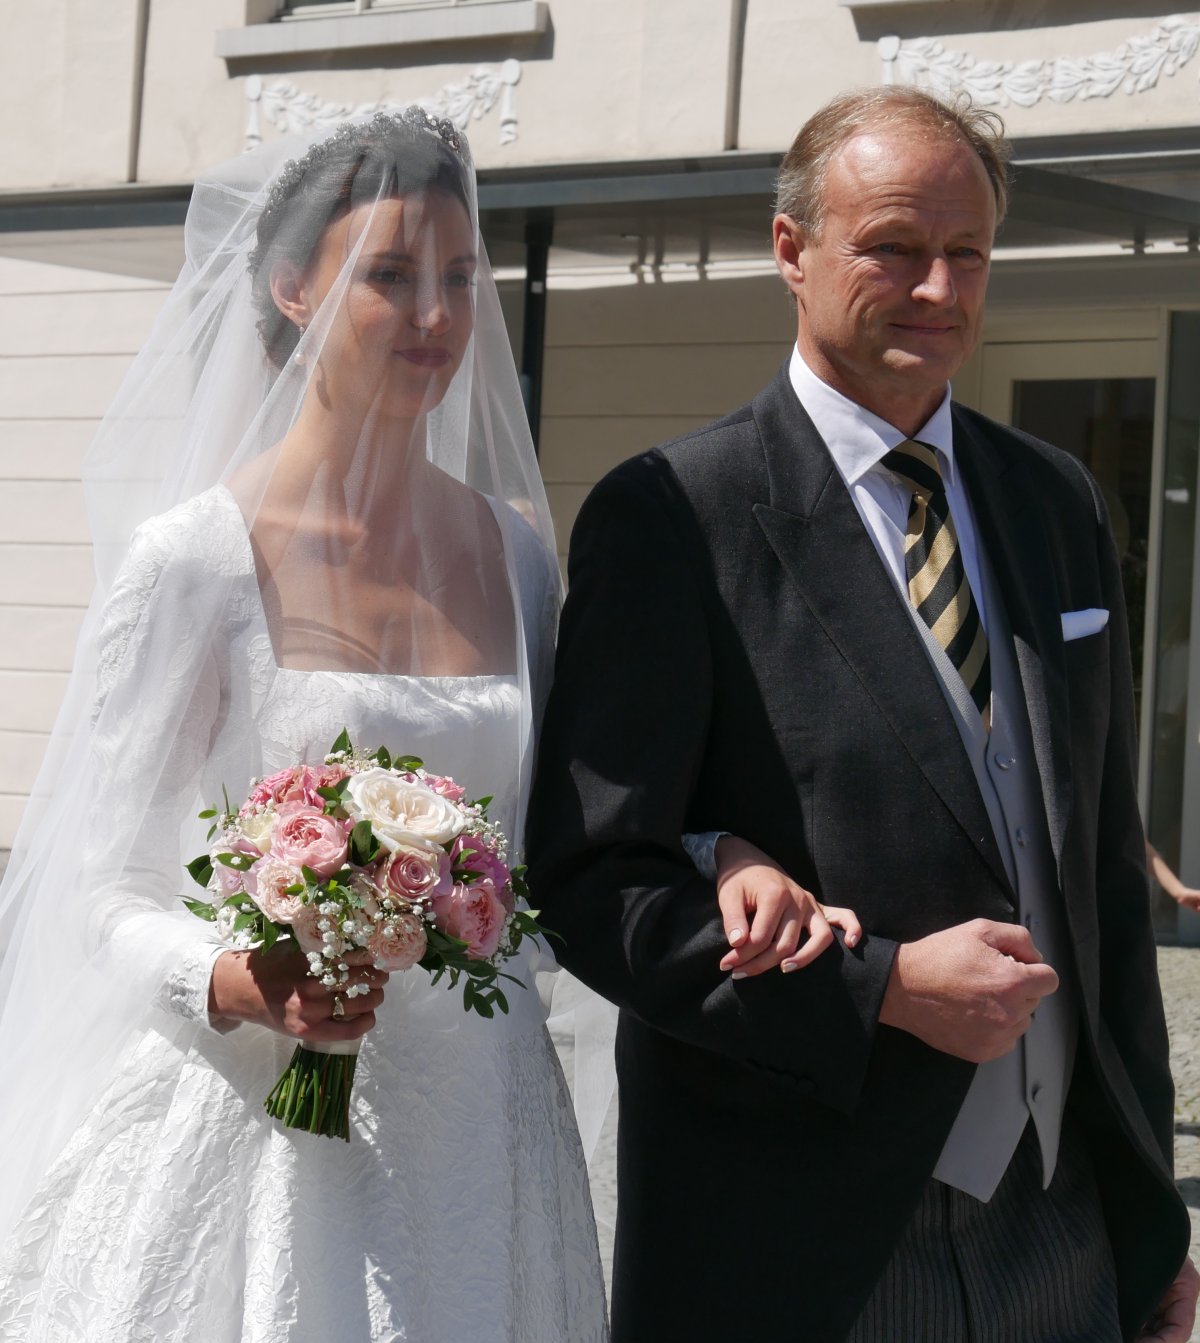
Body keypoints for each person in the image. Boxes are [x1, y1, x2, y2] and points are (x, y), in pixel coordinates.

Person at [526, 87, 1198, 1342]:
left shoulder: (1057, 502)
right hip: (808, 1240)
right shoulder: (676, 515)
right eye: (894, 246)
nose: (938, 290)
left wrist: (1151, 1215)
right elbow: (588, 881)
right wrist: (878, 987)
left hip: (1063, 1227)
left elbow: (1102, 879)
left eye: (968, 254)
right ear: (792, 251)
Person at [0, 109, 612, 1342]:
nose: (437, 316)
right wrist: (231, 974)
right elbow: (97, 884)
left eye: (457, 276)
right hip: (265, 1117)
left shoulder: (517, 557)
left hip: (486, 1132)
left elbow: (558, 843)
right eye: (390, 275)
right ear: (292, 288)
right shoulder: (197, 563)